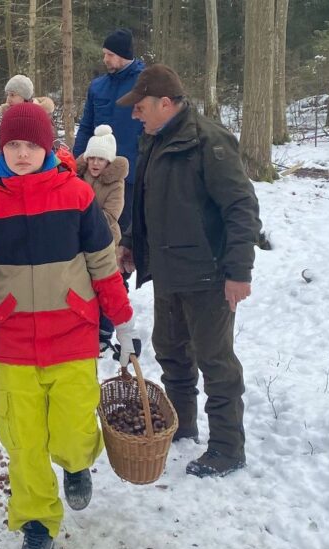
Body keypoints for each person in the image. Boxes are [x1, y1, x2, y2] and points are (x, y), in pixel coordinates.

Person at [0, 103, 139, 549]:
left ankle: (77, 462)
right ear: (3, 148)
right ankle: (37, 527)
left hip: (73, 337)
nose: (21, 154)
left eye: (30, 145)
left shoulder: (78, 195)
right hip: (14, 342)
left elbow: (103, 265)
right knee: (23, 443)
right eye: (12, 145)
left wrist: (123, 322)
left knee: (73, 431)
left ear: (47, 147)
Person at [115, 64, 261, 478]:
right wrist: (131, 243)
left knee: (216, 362)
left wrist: (239, 271)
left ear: (165, 102)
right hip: (167, 269)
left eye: (140, 106)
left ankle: (228, 448)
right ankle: (182, 427)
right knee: (171, 352)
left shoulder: (209, 142)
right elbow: (146, 204)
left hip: (209, 274)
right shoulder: (155, 141)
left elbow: (241, 207)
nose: (134, 114)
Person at [72, 28, 144, 240]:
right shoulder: (97, 86)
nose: (105, 59)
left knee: (120, 230)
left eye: (110, 54)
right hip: (93, 168)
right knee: (87, 224)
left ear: (124, 55)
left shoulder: (144, 83)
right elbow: (86, 126)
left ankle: (116, 273)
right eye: (104, 53)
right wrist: (77, 162)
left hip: (129, 172)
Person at [75, 124, 129, 351]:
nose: (95, 163)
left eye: (101, 159)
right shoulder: (77, 176)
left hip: (107, 242)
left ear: (109, 162)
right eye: (92, 158)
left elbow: (111, 215)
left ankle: (105, 330)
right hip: (79, 241)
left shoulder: (115, 184)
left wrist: (82, 219)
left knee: (107, 286)